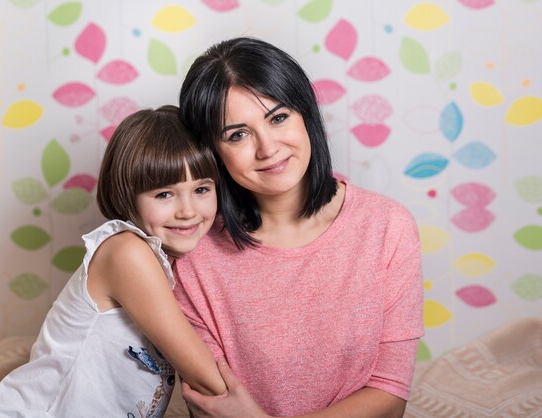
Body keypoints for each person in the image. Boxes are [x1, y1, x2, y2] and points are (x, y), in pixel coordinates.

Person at [173, 37, 424, 417]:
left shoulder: (387, 227)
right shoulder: (195, 254)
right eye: (237, 134)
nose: (268, 148)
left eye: (278, 118)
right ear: (213, 152)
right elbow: (210, 406)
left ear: (306, 114)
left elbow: (389, 397)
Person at [0, 105, 226, 417]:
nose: (188, 211)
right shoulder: (125, 252)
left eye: (202, 189)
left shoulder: (171, 260)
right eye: (165, 195)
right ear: (128, 196)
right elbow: (203, 376)